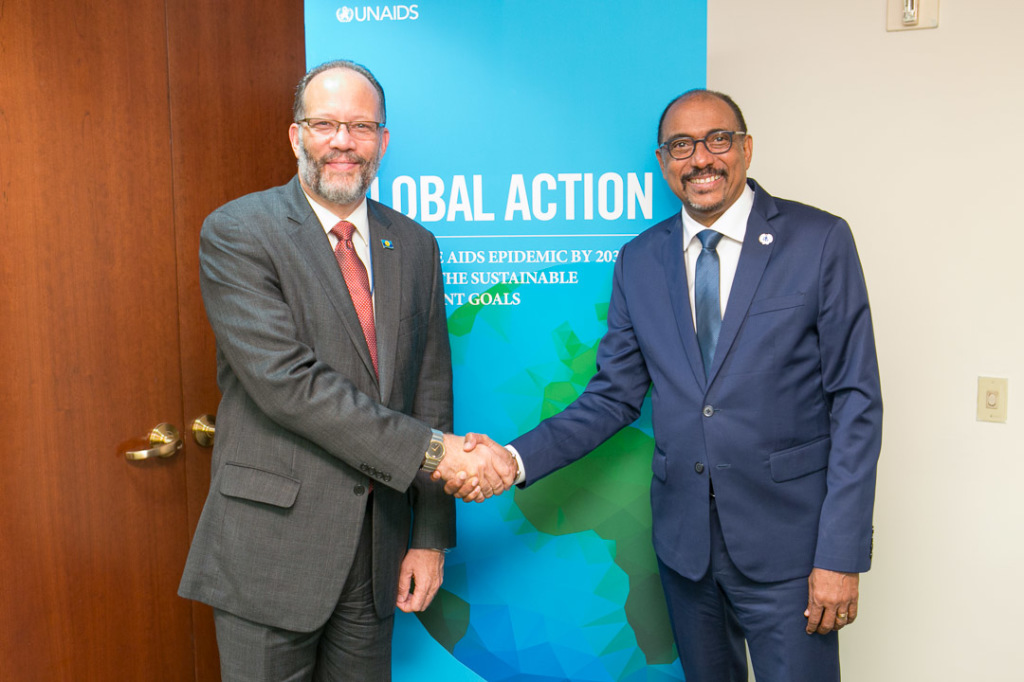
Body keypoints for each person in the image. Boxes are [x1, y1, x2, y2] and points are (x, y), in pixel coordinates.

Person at [450, 89, 882, 681]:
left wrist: (840, 552)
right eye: (682, 145)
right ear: (663, 161)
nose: (700, 158)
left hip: (792, 551)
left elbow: (856, 403)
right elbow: (613, 396)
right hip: (687, 553)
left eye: (717, 140)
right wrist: (513, 459)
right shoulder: (639, 261)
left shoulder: (819, 241)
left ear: (746, 149)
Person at [178, 60, 512, 682]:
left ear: (382, 141)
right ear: (295, 135)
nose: (342, 141)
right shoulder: (238, 232)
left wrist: (430, 535)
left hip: (378, 547)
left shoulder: (414, 245)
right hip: (271, 551)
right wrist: (443, 456)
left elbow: (429, 390)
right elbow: (288, 385)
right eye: (325, 123)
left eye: (360, 127)